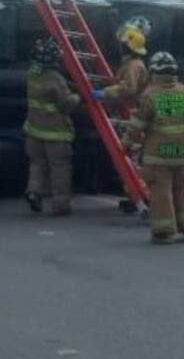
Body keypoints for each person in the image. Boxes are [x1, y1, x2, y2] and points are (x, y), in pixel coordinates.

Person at [125, 52, 184, 244]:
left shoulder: (150, 96)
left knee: (161, 193)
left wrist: (125, 144)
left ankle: (164, 231)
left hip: (158, 156)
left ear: (153, 72)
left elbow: (137, 125)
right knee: (183, 190)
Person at [23, 37, 80, 216]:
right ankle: (61, 205)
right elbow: (65, 104)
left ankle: (34, 192)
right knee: (59, 168)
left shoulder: (31, 73)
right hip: (55, 133)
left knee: (37, 164)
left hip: (33, 129)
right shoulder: (55, 78)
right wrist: (78, 96)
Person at [92, 24, 148, 109]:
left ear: (128, 47)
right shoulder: (130, 63)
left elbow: (129, 88)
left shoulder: (134, 66)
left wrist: (105, 93)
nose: (120, 47)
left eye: (123, 45)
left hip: (132, 108)